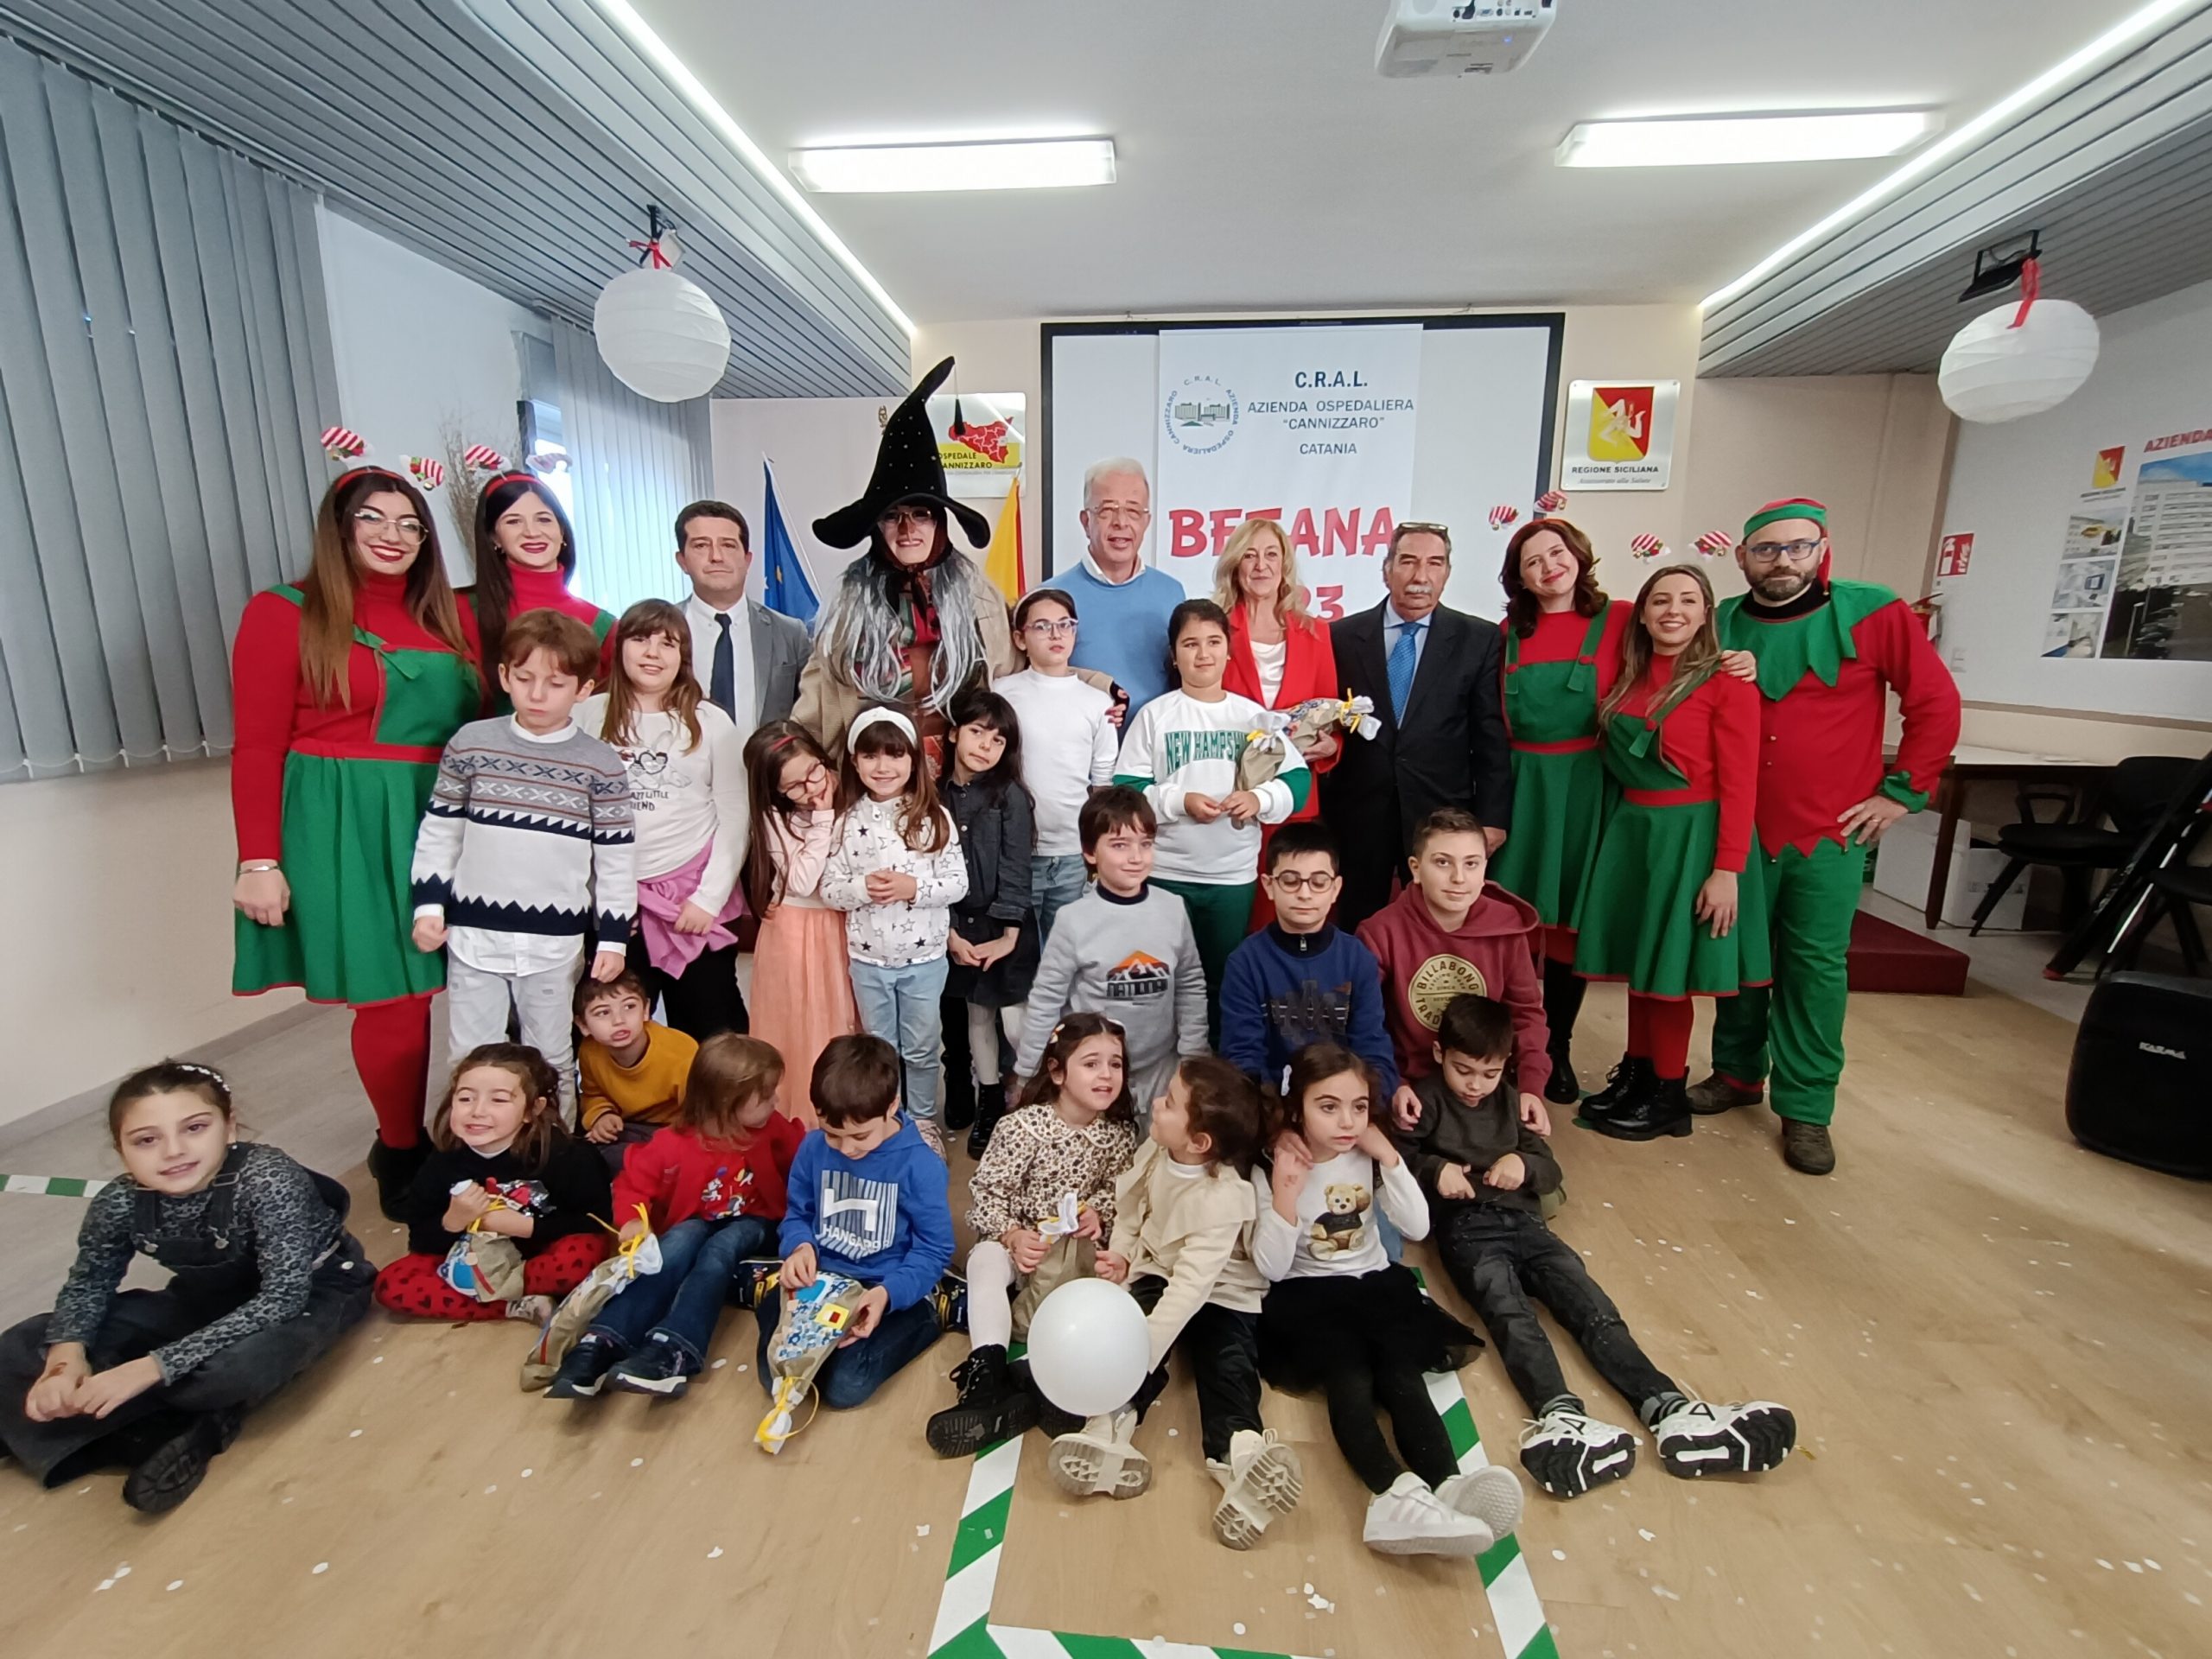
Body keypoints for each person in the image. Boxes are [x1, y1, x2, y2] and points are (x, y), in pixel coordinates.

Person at [1408, 995, 1797, 1497]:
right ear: (1439, 1054)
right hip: (1467, 1230)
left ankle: (1668, 1408)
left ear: (1505, 1066)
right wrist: (1435, 1170)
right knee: (1510, 1314)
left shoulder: (1510, 1101)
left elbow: (1548, 1167)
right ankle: (1559, 1414)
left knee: (1592, 1308)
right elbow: (1397, 1157)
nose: (1476, 1085)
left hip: (1527, 1224)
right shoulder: (1424, 1101)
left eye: (1490, 1073)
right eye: (1464, 1071)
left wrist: (1524, 1165)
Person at [230, 466, 482, 1217]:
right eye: (373, 518)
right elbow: (256, 746)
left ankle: (492, 1133)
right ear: (338, 530)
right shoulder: (284, 612)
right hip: (347, 821)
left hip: (449, 812)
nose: (393, 535)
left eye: (410, 524)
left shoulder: (452, 618)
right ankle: (399, 1147)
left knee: (487, 980)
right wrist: (259, 859)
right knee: (394, 998)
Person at [1699, 499, 1962, 1175]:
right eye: (1767, 550)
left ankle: (1807, 1107)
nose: (1782, 561)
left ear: (1822, 550)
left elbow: (1934, 701)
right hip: (1737, 830)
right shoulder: (1720, 620)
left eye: (1798, 547)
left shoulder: (1874, 612)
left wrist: (1902, 791)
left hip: (1827, 833)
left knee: (1814, 970)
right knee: (1740, 960)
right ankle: (1736, 1073)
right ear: (1743, 558)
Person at [0, 1062, 372, 1513]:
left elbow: (282, 1299)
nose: (173, 1151)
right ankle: (149, 1429)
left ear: (229, 1126)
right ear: (121, 1151)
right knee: (21, 1344)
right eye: (146, 1140)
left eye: (194, 1128)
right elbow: (89, 1283)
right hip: (207, 1301)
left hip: (314, 1291)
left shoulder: (268, 1176)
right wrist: (64, 1361)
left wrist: (150, 1367)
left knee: (233, 1370)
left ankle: (165, 1426)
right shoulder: (119, 1201)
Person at [1253, 1044, 1520, 1557]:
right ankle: (1391, 1493)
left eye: (1358, 1107)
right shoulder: (1273, 1166)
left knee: (1402, 1375)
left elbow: (1416, 1227)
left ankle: (1448, 1484)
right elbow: (1271, 1267)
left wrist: (1391, 1159)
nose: (1347, 1121)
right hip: (1309, 1297)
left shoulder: (1367, 1157)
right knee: (1350, 1378)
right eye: (1327, 1106)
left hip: (1376, 1286)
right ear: (1297, 1109)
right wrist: (1286, 1191)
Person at [1053, 1057, 1304, 1553]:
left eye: (1169, 1102)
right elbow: (1132, 1211)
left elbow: (1191, 1290)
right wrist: (1124, 1257)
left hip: (1223, 1288)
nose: (1155, 1104)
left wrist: (1139, 1357)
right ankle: (1109, 1426)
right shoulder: (1157, 1149)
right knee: (1133, 1327)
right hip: (1159, 1267)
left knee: (1227, 1361)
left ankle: (1241, 1454)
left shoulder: (1223, 1199)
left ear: (1200, 1142)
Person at [1573, 564, 1770, 1141]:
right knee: (1643, 969)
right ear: (1642, 613)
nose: (1673, 611)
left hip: (1691, 836)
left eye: (1687, 600)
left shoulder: (1727, 680)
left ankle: (1667, 1094)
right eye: (1660, 600)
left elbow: (1741, 784)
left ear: (1707, 613)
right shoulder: (1631, 676)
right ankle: (1637, 1075)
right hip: (1637, 831)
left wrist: (1727, 869)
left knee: (1670, 976)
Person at [410, 609, 635, 1107]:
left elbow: (616, 859)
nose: (537, 694)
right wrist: (429, 906)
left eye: (555, 684)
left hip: (555, 941)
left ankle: (553, 1144)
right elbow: (441, 831)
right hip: (474, 934)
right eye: (525, 678)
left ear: (583, 690)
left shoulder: (601, 764)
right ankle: (470, 1145)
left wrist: (614, 937)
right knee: (469, 1055)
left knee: (550, 1055)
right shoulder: (470, 745)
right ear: (505, 676)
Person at [925, 1013, 1139, 1458]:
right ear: (1057, 1072)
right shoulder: (1020, 1128)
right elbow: (987, 1194)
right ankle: (988, 1372)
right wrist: (1012, 1236)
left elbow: (1120, 1193)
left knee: (1121, 1287)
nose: (1106, 1075)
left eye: (1115, 1064)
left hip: (1076, 1259)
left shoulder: (1119, 1135)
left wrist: (1099, 1215)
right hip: (1023, 1251)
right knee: (984, 1261)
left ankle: (1050, 1384)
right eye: (1091, 1063)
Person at [550, 1035, 804, 1399]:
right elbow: (632, 1184)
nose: (775, 1101)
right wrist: (632, 1220)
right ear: (726, 1102)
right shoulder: (673, 1142)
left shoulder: (772, 1128)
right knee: (680, 1239)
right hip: (696, 1225)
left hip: (756, 1224)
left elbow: (804, 1160)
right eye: (765, 1096)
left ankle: (676, 1348)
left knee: (721, 1246)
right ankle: (603, 1339)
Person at [798, 357, 1020, 751]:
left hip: (961, 767)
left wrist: (1101, 687)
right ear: (877, 527)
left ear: (940, 523)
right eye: (892, 516)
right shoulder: (847, 606)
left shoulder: (979, 598)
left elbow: (1025, 676)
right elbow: (815, 711)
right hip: (876, 769)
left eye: (921, 514)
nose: (907, 529)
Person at [1114, 598, 1309, 1037]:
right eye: (1190, 644)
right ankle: (1160, 1063)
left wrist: (1259, 798)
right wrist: (1179, 801)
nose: (1203, 653)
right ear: (1174, 654)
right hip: (1165, 874)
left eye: (1214, 642)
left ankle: (1219, 1065)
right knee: (1159, 978)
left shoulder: (1252, 717)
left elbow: (1297, 780)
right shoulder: (1155, 715)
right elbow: (1127, 788)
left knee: (1222, 980)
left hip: (1231, 877)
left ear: (1229, 650)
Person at [1490, 518, 1633, 1104]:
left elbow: (1680, 660)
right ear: (1519, 578)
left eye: (1556, 553)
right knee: (1516, 922)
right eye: (1532, 561)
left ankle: (1558, 1046)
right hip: (1520, 787)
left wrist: (1734, 661)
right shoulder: (1506, 634)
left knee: (1571, 925)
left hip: (1586, 788)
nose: (1548, 567)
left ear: (1579, 555)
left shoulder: (1621, 620)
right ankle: (1511, 1046)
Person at [1322, 522, 1513, 931]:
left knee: (1437, 928)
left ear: (1447, 572)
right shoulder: (1339, 637)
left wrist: (1492, 816)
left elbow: (1490, 735)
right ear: (1387, 569)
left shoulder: (1478, 639)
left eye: (1434, 563)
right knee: (1359, 925)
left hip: (1440, 812)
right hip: (1357, 814)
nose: (1420, 576)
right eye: (1408, 562)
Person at [759, 1034, 957, 1411]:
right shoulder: (812, 1148)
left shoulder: (920, 1165)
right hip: (825, 1280)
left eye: (860, 1136)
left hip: (884, 1283)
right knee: (776, 1375)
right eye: (832, 1134)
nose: (847, 1148)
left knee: (845, 1387)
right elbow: (797, 1214)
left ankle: (930, 1315)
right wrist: (800, 1246)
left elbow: (934, 1249)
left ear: (892, 1105)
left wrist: (887, 1294)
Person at [582, 598, 750, 1040]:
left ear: (683, 656)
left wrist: (708, 899)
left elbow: (735, 814)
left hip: (690, 902)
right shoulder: (588, 715)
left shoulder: (710, 721)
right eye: (641, 639)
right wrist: (598, 897)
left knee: (714, 1034)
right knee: (613, 1032)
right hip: (613, 903)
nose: (653, 653)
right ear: (620, 647)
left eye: (668, 643)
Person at [373, 1045, 613, 1324]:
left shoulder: (565, 1155)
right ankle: (516, 1306)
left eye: (498, 1100)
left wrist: (526, 1227)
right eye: (465, 1098)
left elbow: (596, 1221)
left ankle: (522, 1292)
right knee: (391, 1284)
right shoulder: (444, 1161)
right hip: (473, 1264)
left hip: (538, 1260)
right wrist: (452, 1221)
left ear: (532, 1109)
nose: (477, 1111)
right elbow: (420, 1240)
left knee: (579, 1260)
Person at [821, 707, 969, 1157]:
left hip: (924, 961)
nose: (883, 767)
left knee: (921, 1048)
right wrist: (861, 888)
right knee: (880, 1049)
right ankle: (886, 1119)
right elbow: (829, 888)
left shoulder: (934, 817)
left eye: (894, 755)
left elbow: (957, 884)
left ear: (913, 760)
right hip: (869, 962)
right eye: (871, 756)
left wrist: (913, 888)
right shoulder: (847, 821)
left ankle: (921, 1122)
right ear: (855, 762)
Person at [1013, 787, 1208, 1122]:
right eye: (1120, 845)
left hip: (1160, 1070)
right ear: (1090, 852)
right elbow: (1046, 999)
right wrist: (1028, 1073)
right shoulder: (1073, 920)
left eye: (1145, 844)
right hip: (1093, 1076)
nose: (1136, 857)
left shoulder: (1173, 909)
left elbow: (1190, 985)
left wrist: (1193, 1059)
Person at [1361, 808, 1551, 1131]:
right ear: (1416, 869)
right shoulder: (1380, 932)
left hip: (1483, 1089)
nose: (1459, 878)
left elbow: (1526, 1014)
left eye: (1471, 864)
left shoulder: (1506, 928)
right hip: (1411, 1089)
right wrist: (1394, 1083)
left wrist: (1531, 1087)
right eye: (1442, 862)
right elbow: (1364, 1023)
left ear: (1485, 867)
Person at [1215, 517, 1344, 926]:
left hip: (1294, 791)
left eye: (1271, 555)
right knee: (1236, 910)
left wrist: (1331, 747)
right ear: (1235, 564)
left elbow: (1331, 713)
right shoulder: (1215, 628)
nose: (1261, 565)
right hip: (1230, 793)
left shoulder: (1316, 633)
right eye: (1250, 555)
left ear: (1284, 564)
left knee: (1287, 904)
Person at [1217, 822, 1397, 1097]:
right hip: (1271, 1107)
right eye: (1290, 881)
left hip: (1345, 1104)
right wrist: (1276, 1115)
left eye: (1319, 882)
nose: (1304, 893)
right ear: (1269, 886)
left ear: (1335, 888)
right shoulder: (1245, 962)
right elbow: (1242, 1057)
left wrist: (1362, 1105)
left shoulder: (1357, 958)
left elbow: (1373, 1048)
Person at [741, 721, 859, 1128]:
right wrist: (823, 816)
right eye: (794, 786)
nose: (811, 788)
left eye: (813, 771)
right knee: (798, 1028)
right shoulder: (774, 816)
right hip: (794, 928)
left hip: (841, 922)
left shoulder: (849, 790)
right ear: (775, 791)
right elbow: (804, 879)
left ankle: (849, 1112)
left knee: (842, 1020)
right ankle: (798, 1124)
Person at [938, 690, 1040, 1158]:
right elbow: (928, 866)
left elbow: (1018, 867)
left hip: (1006, 927)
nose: (985, 745)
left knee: (1017, 1022)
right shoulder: (933, 793)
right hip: (958, 926)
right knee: (976, 1016)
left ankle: (1035, 1094)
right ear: (954, 733)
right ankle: (989, 1100)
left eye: (998, 740)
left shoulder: (1010, 796)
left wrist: (1009, 934)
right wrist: (950, 932)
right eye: (977, 732)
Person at [993, 587, 1120, 942]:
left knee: (1065, 950)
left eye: (1065, 624)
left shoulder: (1097, 702)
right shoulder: (1001, 693)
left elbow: (1102, 783)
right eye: (1042, 626)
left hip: (1071, 853)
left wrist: (1095, 847)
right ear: (1020, 639)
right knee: (1018, 952)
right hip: (1015, 851)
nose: (1056, 634)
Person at [469, 472, 615, 709]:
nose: (532, 532)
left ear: (562, 531)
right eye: (513, 521)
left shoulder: (604, 625)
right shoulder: (459, 611)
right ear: (494, 537)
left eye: (544, 519)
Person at [1058, 457, 1185, 720]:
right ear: (1086, 521)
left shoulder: (1172, 594)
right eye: (1107, 510)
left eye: (1133, 511)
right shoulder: (1050, 599)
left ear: (1146, 522)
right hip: (1081, 743)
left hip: (1156, 742)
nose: (1121, 522)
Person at [675, 499, 810, 741]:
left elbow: (811, 719)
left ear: (747, 560)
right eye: (701, 545)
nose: (716, 556)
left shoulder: (790, 633)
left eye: (728, 545)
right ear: (682, 560)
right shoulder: (661, 632)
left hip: (764, 765)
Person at [575, 968, 701, 1172]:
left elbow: (701, 1112)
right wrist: (602, 1116)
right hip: (629, 1127)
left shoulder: (679, 1051)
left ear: (646, 1010)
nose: (619, 1021)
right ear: (583, 1025)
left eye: (629, 1007)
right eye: (603, 1013)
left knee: (682, 1160)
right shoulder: (590, 1051)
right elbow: (593, 1094)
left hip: (678, 1128)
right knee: (586, 1154)